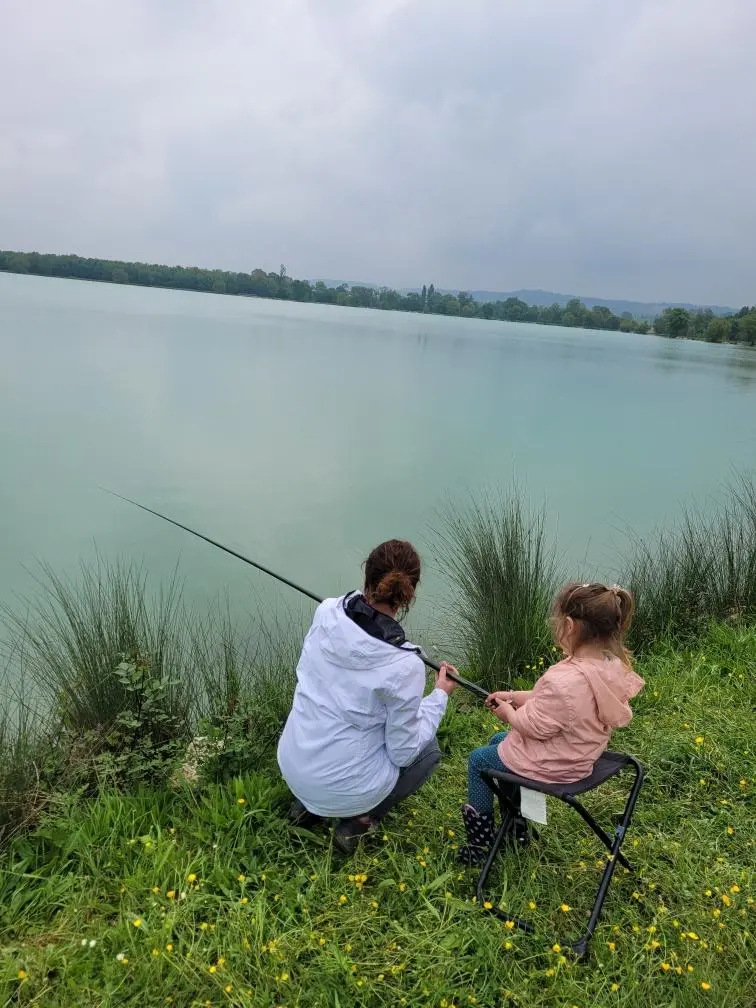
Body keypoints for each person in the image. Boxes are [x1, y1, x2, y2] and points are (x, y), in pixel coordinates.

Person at [277, 539, 459, 855]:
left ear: (367, 577)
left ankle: (309, 807)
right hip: (345, 788)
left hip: (293, 765)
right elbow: (403, 753)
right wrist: (439, 695)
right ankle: (359, 820)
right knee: (427, 751)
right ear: (408, 594)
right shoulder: (406, 664)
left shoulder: (326, 612)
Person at [458, 582, 645, 865]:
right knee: (499, 741)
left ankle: (480, 847)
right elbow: (555, 702)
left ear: (569, 625)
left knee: (479, 760)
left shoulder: (563, 679)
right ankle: (516, 824)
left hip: (555, 765)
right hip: (582, 758)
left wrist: (508, 713)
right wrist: (512, 696)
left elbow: (533, 726)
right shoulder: (609, 666)